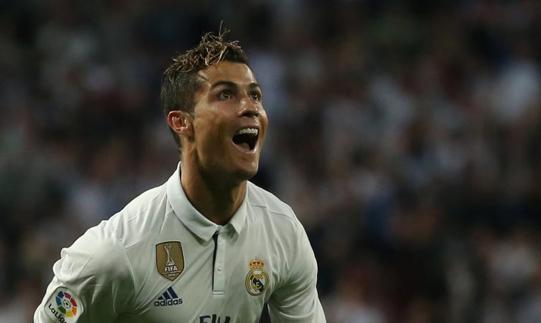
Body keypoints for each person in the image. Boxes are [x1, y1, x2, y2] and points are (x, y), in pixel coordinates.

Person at [34, 29, 326, 323]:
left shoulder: (282, 231)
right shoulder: (117, 251)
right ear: (182, 122)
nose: (249, 107)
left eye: (255, 95)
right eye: (226, 94)